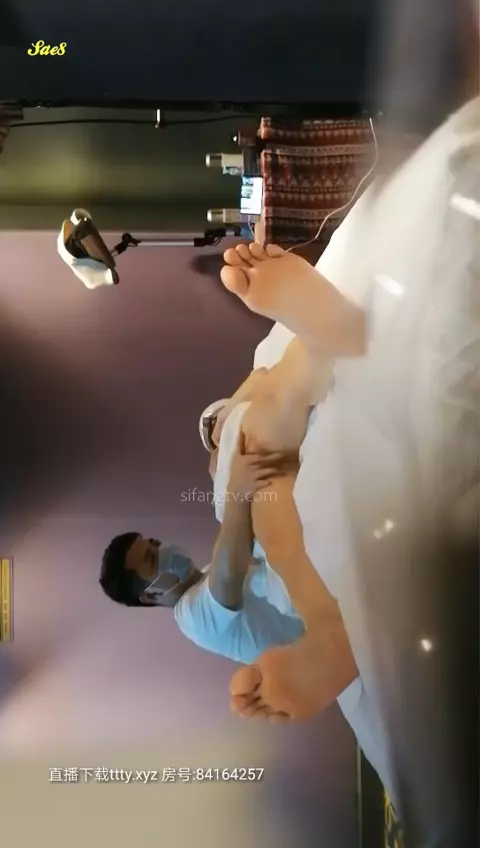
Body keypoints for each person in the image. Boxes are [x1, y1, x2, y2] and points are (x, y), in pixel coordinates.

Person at [99, 438, 305, 674]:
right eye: (152, 559)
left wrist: (222, 470)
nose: (162, 550)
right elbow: (228, 575)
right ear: (150, 594)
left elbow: (241, 538)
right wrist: (235, 492)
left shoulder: (209, 572)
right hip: (322, 643)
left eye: (155, 544)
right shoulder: (191, 618)